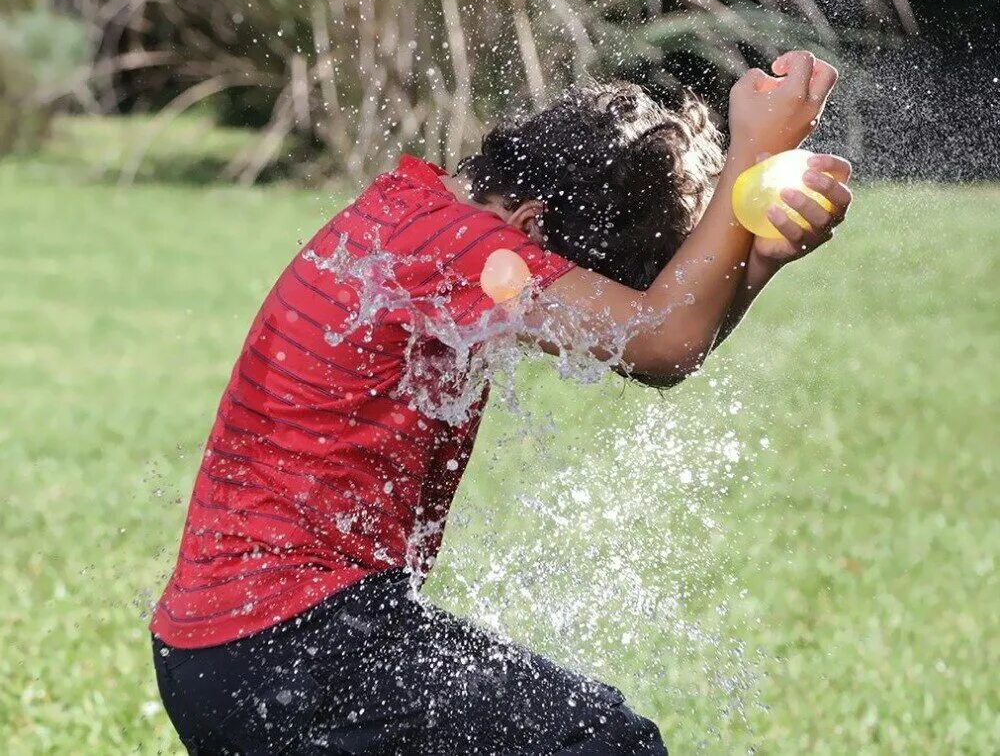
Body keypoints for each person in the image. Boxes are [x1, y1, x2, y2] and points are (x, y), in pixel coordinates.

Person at [151, 50, 853, 754]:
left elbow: (663, 341)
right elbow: (657, 337)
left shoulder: (417, 215)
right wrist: (755, 150)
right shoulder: (471, 253)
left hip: (234, 654)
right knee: (602, 740)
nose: (560, 285)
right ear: (533, 226)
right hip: (292, 647)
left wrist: (752, 263)